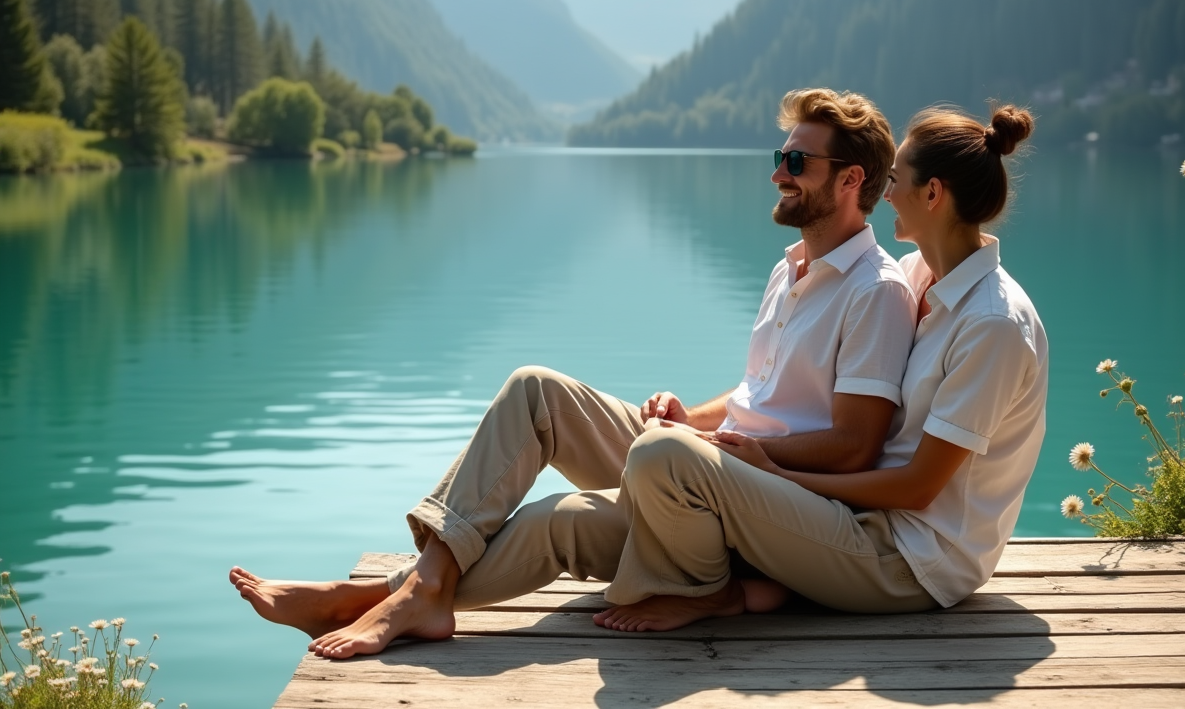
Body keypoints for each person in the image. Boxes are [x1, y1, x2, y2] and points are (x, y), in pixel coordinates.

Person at [228, 87, 918, 657]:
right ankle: (422, 589)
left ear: (850, 180)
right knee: (537, 390)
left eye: (795, 161)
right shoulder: (789, 270)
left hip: (765, 510)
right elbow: (759, 394)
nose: (777, 174)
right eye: (779, 157)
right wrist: (692, 419)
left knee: (558, 519)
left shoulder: (875, 291)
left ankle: (371, 598)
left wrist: (734, 454)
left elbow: (855, 445)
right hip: (704, 469)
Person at [593, 104, 1048, 632]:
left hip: (912, 561)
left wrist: (778, 474)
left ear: (932, 194)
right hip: (852, 519)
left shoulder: (992, 323)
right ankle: (754, 583)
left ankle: (714, 590)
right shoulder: (917, 275)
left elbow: (918, 489)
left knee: (666, 457)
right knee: (645, 460)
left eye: (895, 180)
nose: (885, 195)